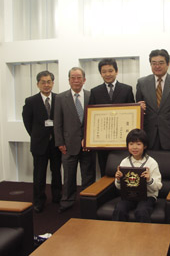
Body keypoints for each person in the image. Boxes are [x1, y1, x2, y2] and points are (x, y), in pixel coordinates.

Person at [54, 67, 96, 213]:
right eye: (73, 77)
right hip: (68, 145)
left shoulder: (91, 96)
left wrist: (90, 140)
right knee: (69, 176)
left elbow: (95, 120)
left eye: (79, 78)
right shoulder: (60, 98)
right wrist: (60, 143)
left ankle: (88, 201)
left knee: (88, 176)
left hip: (88, 145)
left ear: (84, 80)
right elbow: (57, 122)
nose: (76, 80)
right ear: (69, 80)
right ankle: (67, 201)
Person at [22, 70, 62, 213]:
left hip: (56, 143)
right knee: (39, 174)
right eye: (43, 82)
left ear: (53, 83)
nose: (46, 85)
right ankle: (39, 201)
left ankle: (57, 197)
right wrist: (37, 136)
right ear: (38, 84)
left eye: (49, 82)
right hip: (39, 144)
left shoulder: (59, 98)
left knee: (56, 172)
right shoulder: (31, 101)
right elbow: (27, 122)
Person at [89, 58, 135, 176]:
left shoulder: (126, 89)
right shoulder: (95, 91)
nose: (107, 74)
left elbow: (133, 114)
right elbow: (91, 118)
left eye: (110, 71)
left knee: (124, 170)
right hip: (102, 141)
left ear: (116, 71)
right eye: (104, 72)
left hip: (122, 139)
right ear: (100, 73)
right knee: (105, 170)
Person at [136, 49, 170, 151]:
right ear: (150, 65)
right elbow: (139, 110)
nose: (157, 66)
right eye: (153, 63)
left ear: (168, 64)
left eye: (161, 63)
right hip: (149, 137)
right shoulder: (142, 83)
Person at [113, 129, 162, 222]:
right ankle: (118, 235)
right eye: (131, 144)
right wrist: (118, 179)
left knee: (141, 211)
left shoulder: (152, 162)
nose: (134, 147)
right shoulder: (124, 162)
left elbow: (158, 186)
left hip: (147, 196)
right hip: (129, 196)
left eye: (138, 144)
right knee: (119, 209)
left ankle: (143, 236)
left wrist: (149, 180)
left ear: (145, 146)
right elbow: (119, 187)